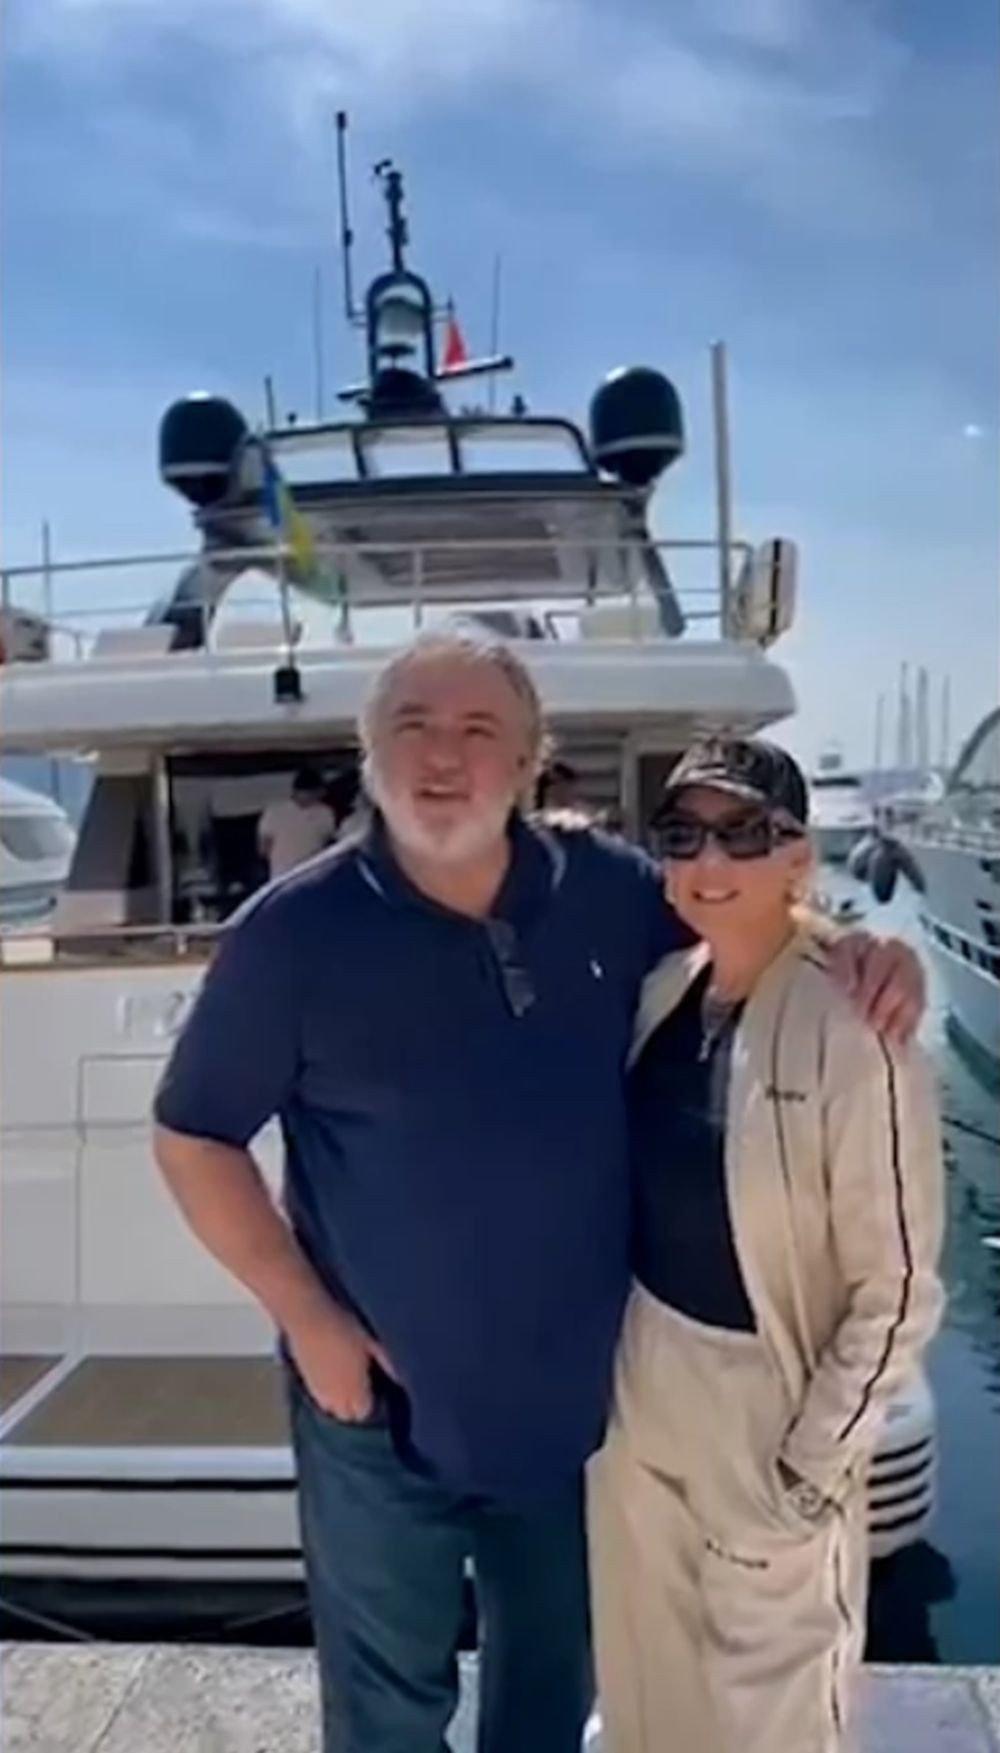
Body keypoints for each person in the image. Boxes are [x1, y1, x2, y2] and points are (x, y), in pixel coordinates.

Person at [152, 633, 924, 1753]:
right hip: (375, 1410)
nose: (443, 756)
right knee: (384, 1717)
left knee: (545, 1706)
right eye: (413, 725)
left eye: (479, 731)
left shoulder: (608, 889)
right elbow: (194, 1135)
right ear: (369, 752)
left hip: (578, 1413)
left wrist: (865, 948)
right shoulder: (290, 935)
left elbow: (746, 914)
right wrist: (308, 1320)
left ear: (525, 762)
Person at [588, 736, 945, 1753]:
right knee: (646, 1672)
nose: (711, 859)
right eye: (683, 833)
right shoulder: (659, 992)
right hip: (645, 1377)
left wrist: (810, 1468)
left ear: (796, 856)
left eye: (744, 833)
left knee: (774, 1708)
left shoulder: (857, 1024)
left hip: (770, 1395)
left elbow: (899, 1288)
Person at [257, 766, 337, 880]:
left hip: (312, 875)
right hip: (283, 876)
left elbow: (328, 843)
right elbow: (264, 848)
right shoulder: (274, 812)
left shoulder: (325, 813)